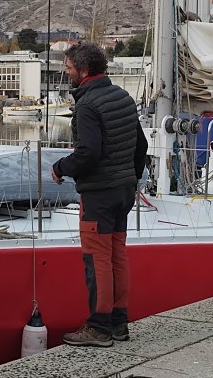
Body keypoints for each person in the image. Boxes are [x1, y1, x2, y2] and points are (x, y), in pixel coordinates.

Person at [51, 41, 148, 347]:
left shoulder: (88, 105)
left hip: (100, 194)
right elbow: (141, 146)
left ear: (84, 69)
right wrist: (130, 178)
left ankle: (99, 327)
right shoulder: (122, 96)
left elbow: (88, 153)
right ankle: (119, 323)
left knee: (97, 259)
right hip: (122, 190)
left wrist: (61, 167)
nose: (67, 73)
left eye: (69, 68)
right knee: (118, 255)